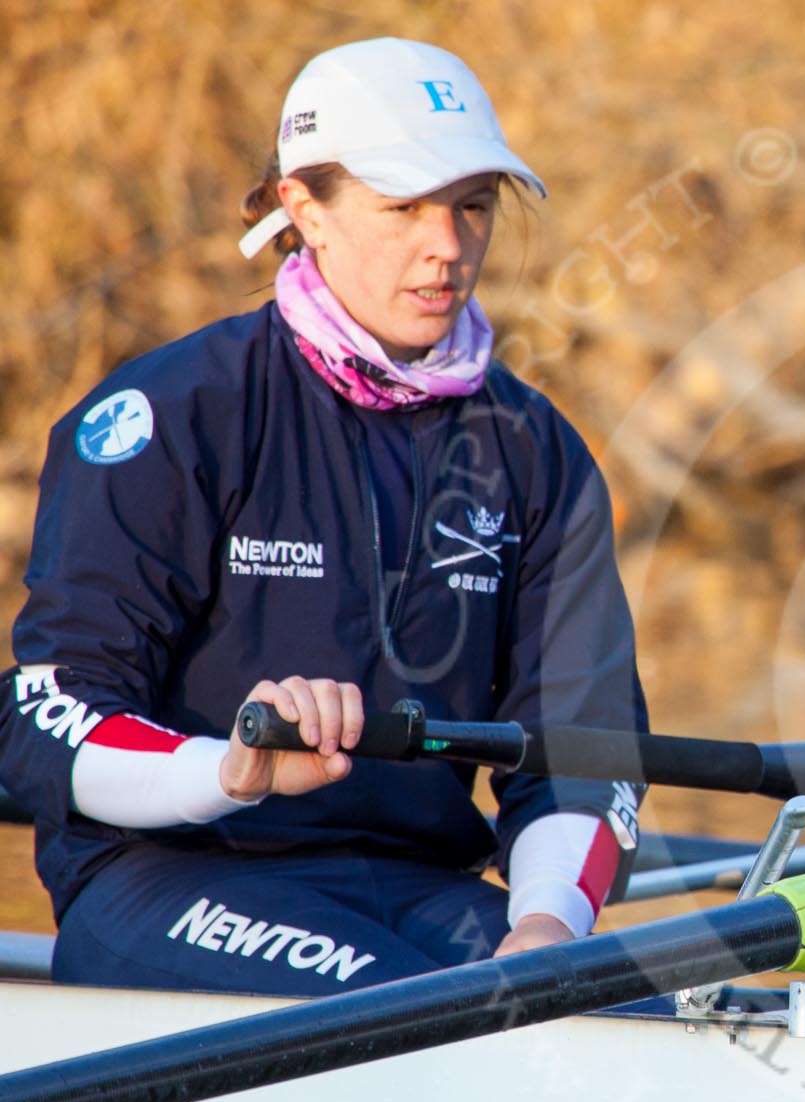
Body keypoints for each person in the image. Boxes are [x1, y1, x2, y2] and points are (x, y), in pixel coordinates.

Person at [0, 38, 647, 994]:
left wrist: (548, 921)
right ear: (306, 211)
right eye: (404, 209)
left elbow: (587, 750)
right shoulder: (174, 414)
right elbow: (46, 721)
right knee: (434, 1017)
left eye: (473, 207)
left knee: (644, 1017)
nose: (449, 245)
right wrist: (235, 767)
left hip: (421, 886)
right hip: (175, 876)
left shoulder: (533, 447)